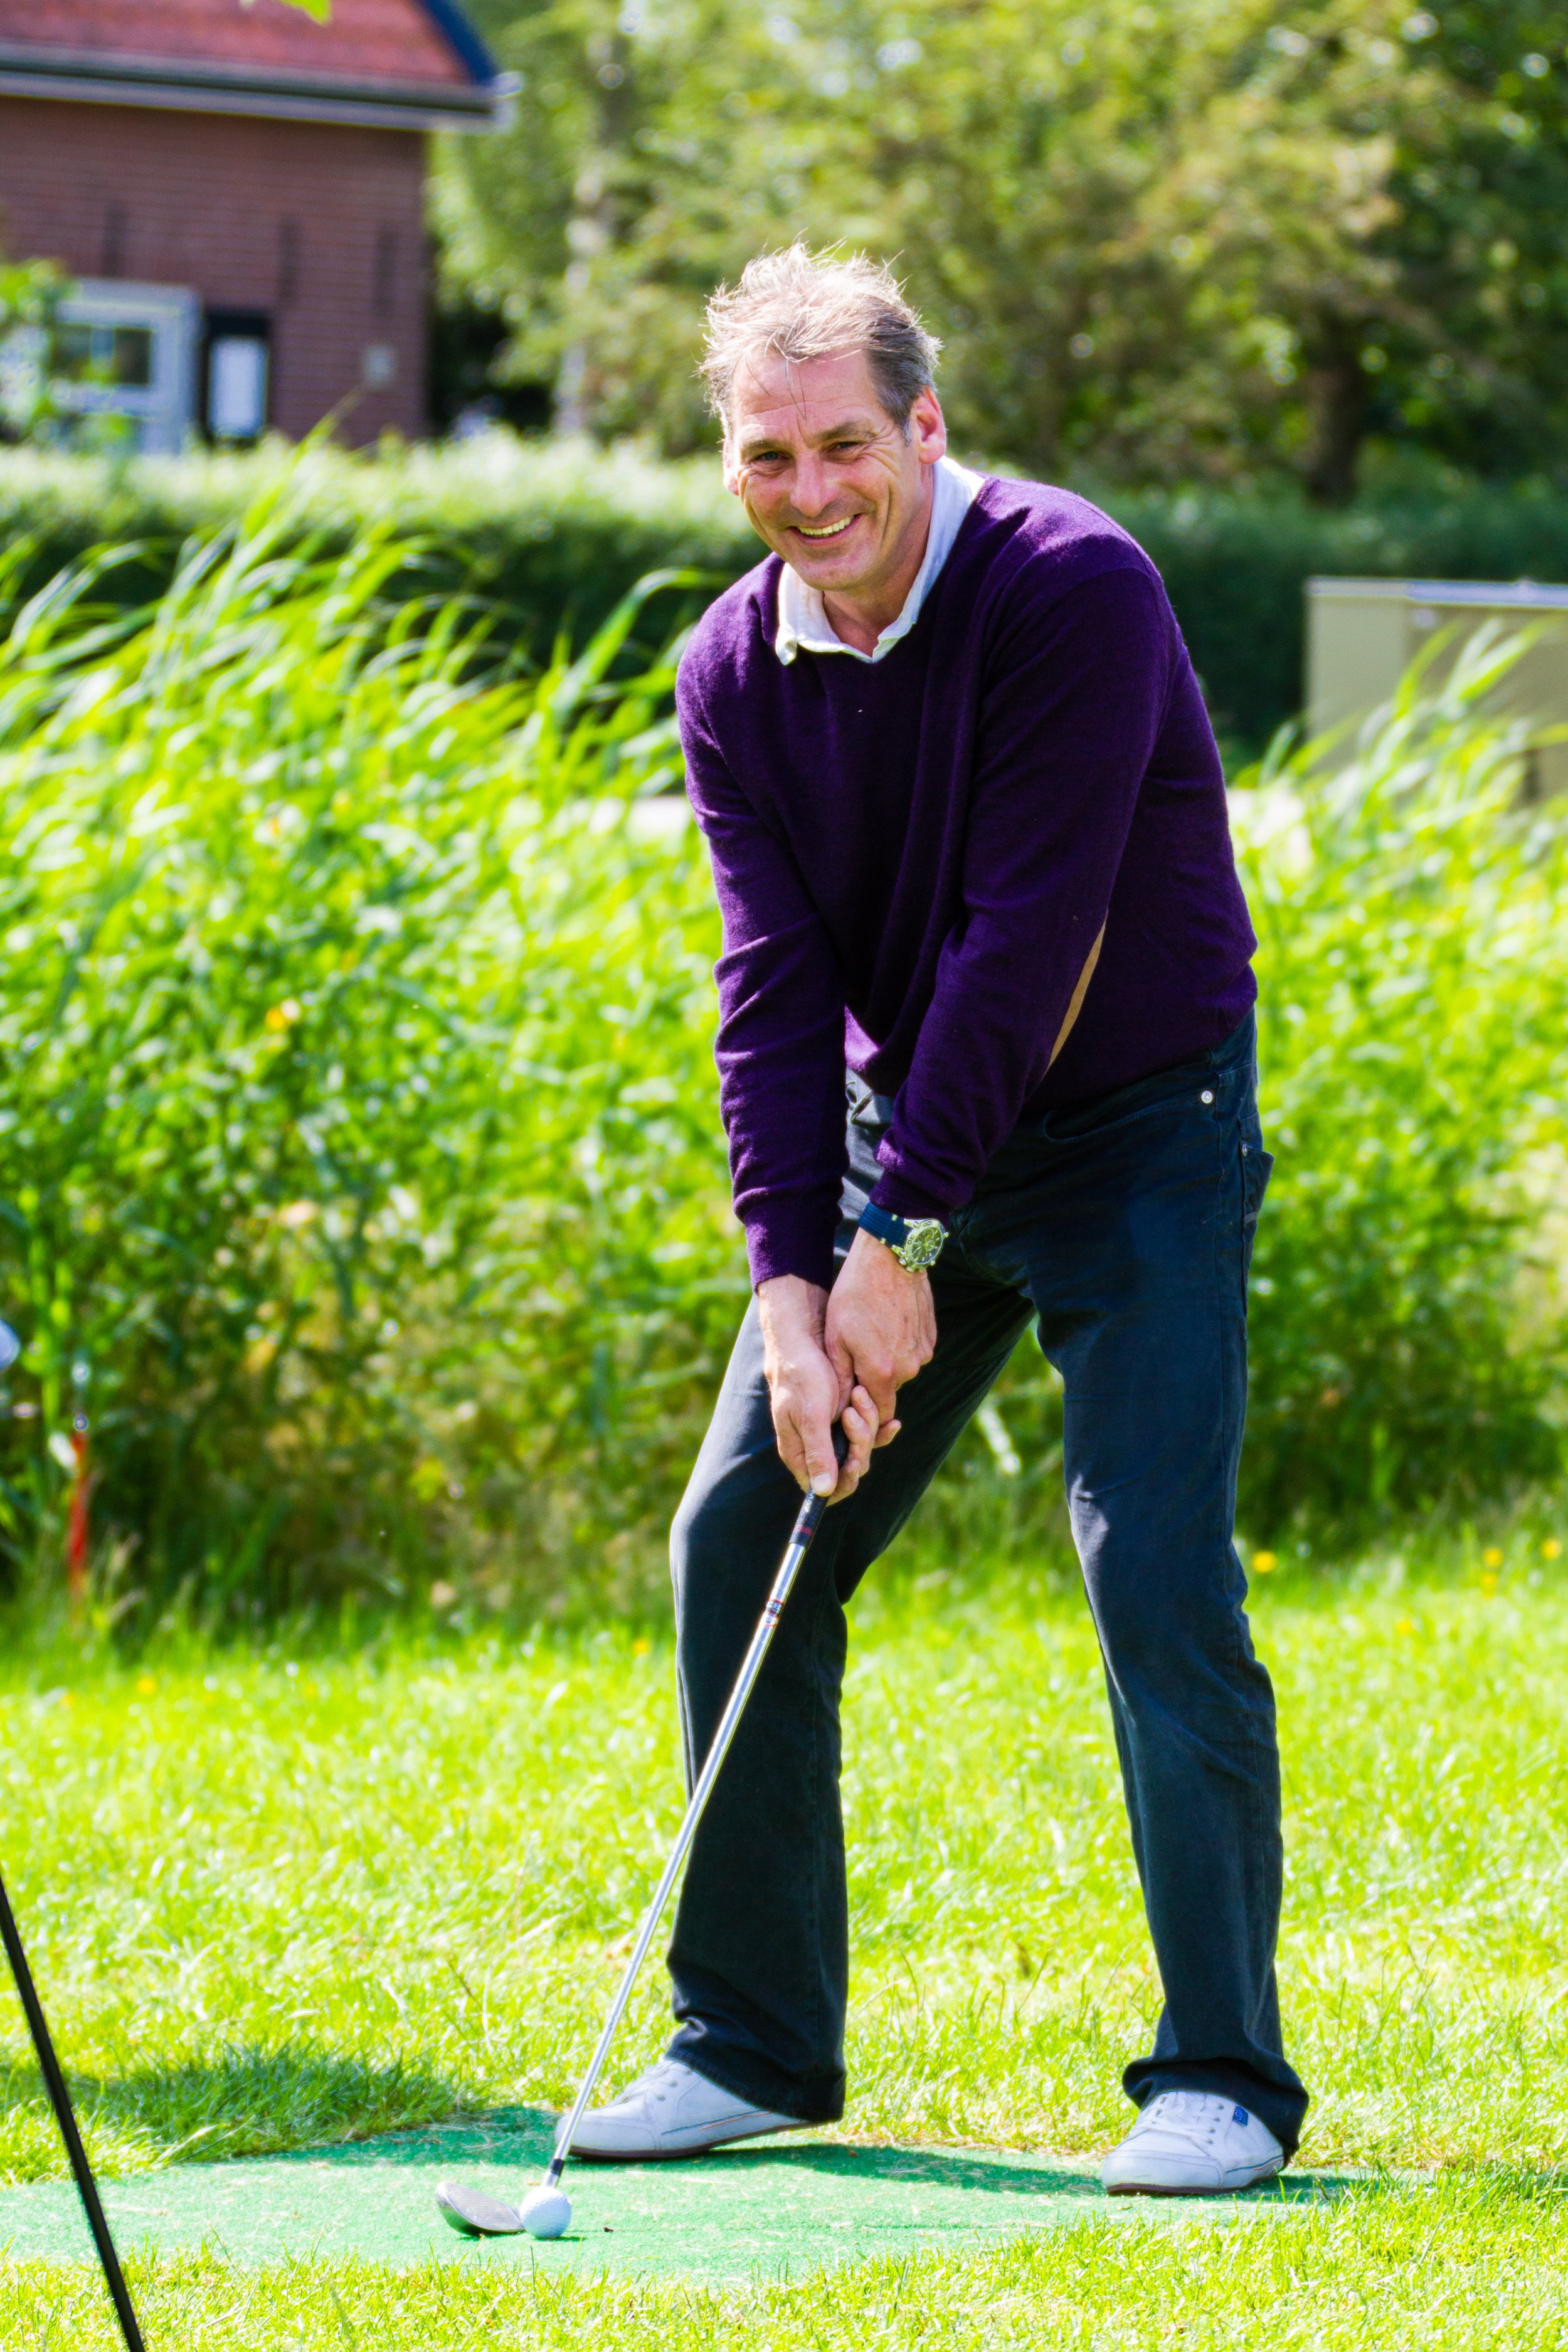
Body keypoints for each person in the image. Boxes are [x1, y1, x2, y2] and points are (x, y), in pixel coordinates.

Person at [571, 245, 1306, 2195]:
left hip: (1140, 1123)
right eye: (760, 459)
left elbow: (1025, 941)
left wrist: (897, 1242)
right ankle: (746, 2045)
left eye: (839, 446)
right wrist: (794, 1286)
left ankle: (1219, 2079)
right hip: (917, 1139)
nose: (807, 495)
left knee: (1148, 1560)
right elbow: (770, 987)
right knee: (740, 1532)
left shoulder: (1072, 587)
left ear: (923, 426)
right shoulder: (729, 665)